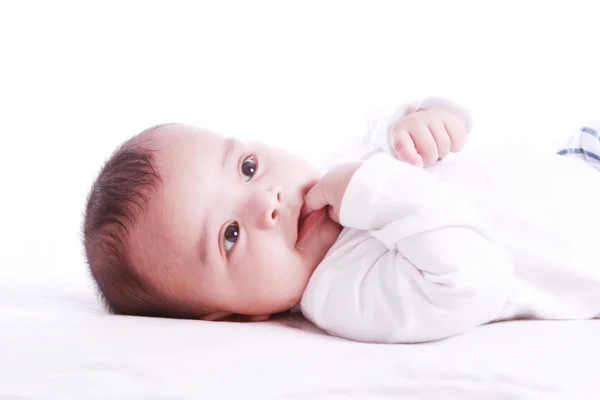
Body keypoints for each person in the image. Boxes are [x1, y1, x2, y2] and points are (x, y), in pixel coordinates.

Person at [83, 97, 600, 343]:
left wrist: (424, 123)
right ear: (235, 315)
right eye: (230, 235)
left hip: (575, 156)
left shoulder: (339, 170)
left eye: (247, 167)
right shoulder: (343, 294)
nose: (268, 199)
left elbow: (439, 127)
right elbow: (475, 279)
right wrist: (371, 187)